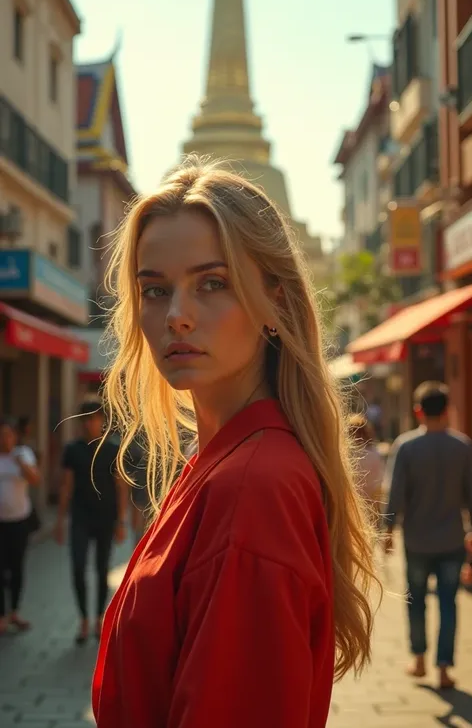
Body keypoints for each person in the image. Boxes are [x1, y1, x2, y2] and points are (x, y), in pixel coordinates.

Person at [92, 156, 378, 728]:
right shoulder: (224, 464)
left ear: (274, 300)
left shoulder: (253, 485)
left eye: (213, 284)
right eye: (154, 290)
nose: (176, 316)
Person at [385, 381, 472, 689]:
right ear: (448, 410)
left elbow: (395, 495)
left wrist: (387, 532)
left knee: (416, 600)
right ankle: (445, 667)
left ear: (418, 411)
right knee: (449, 603)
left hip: (417, 539)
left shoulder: (406, 447)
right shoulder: (462, 446)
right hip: (452, 538)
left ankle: (419, 658)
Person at [54, 400, 129, 644]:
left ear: (101, 421)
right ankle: (84, 619)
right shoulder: (72, 449)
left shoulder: (111, 449)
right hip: (80, 518)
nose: (89, 423)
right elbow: (66, 486)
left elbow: (120, 487)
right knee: (77, 568)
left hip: (106, 518)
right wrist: (59, 521)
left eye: (94, 418)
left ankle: (98, 619)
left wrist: (120, 522)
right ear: (80, 421)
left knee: (101, 571)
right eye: (85, 418)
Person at [0, 417, 40, 634]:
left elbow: (35, 479)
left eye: (8, 434)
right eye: (1, 435)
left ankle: (14, 611)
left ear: (15, 436)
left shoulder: (23, 454)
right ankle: (1, 616)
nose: (5, 439)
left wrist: (20, 463)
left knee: (16, 568)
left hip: (19, 522)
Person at [348, 414, 384, 528]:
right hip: (370, 506)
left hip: (351, 507)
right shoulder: (375, 454)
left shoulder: (346, 456)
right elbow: (378, 484)